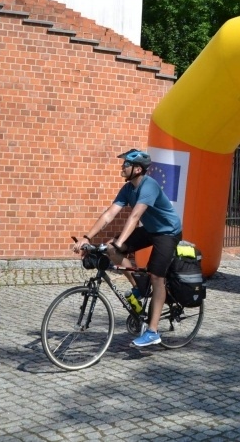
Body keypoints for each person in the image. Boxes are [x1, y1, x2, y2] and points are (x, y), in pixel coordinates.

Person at [72, 149, 182, 348]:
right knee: (113, 250)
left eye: (126, 165)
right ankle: (138, 287)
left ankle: (152, 332)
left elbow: (135, 217)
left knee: (157, 277)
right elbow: (109, 214)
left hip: (168, 232)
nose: (122, 167)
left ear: (137, 169)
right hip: (150, 229)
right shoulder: (127, 189)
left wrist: (121, 240)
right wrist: (87, 237)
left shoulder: (149, 186)